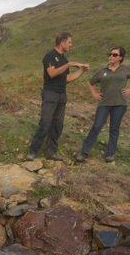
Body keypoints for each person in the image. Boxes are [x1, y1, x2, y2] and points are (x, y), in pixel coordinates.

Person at [26, 32, 89, 161]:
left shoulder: (64, 59)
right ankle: (33, 151)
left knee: (58, 125)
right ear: (62, 43)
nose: (71, 45)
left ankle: (51, 152)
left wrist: (81, 70)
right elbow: (52, 73)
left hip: (62, 95)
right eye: (69, 42)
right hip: (50, 94)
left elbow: (67, 78)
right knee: (45, 123)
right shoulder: (49, 56)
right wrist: (69, 64)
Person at [75, 46, 130, 163]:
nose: (111, 56)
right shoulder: (102, 70)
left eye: (114, 55)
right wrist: (95, 94)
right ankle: (84, 152)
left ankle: (110, 154)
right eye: (110, 54)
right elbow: (90, 83)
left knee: (114, 129)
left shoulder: (126, 69)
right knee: (96, 126)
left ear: (120, 57)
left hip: (120, 104)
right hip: (104, 103)